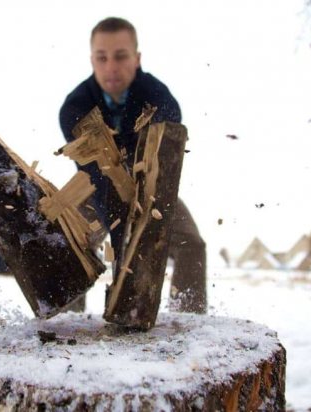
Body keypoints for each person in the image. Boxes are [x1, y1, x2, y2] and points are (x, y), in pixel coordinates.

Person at [59, 17, 207, 313]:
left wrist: (139, 218)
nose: (111, 66)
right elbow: (95, 175)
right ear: (92, 60)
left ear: (137, 58)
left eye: (121, 56)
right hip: (96, 188)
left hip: (149, 190)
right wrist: (120, 235)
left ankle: (190, 320)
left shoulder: (161, 101)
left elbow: (163, 171)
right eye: (102, 58)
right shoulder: (74, 108)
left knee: (192, 243)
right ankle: (64, 324)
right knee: (66, 242)